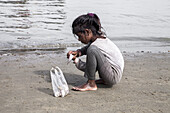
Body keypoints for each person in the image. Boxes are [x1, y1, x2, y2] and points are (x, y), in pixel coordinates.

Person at [67, 13, 124, 91]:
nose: (79, 39)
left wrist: (76, 60)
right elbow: (88, 48)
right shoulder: (99, 39)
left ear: (87, 32)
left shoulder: (95, 47)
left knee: (92, 50)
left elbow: (88, 67)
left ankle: (91, 84)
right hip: (113, 73)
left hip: (113, 76)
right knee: (92, 49)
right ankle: (104, 80)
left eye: (79, 36)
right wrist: (79, 52)